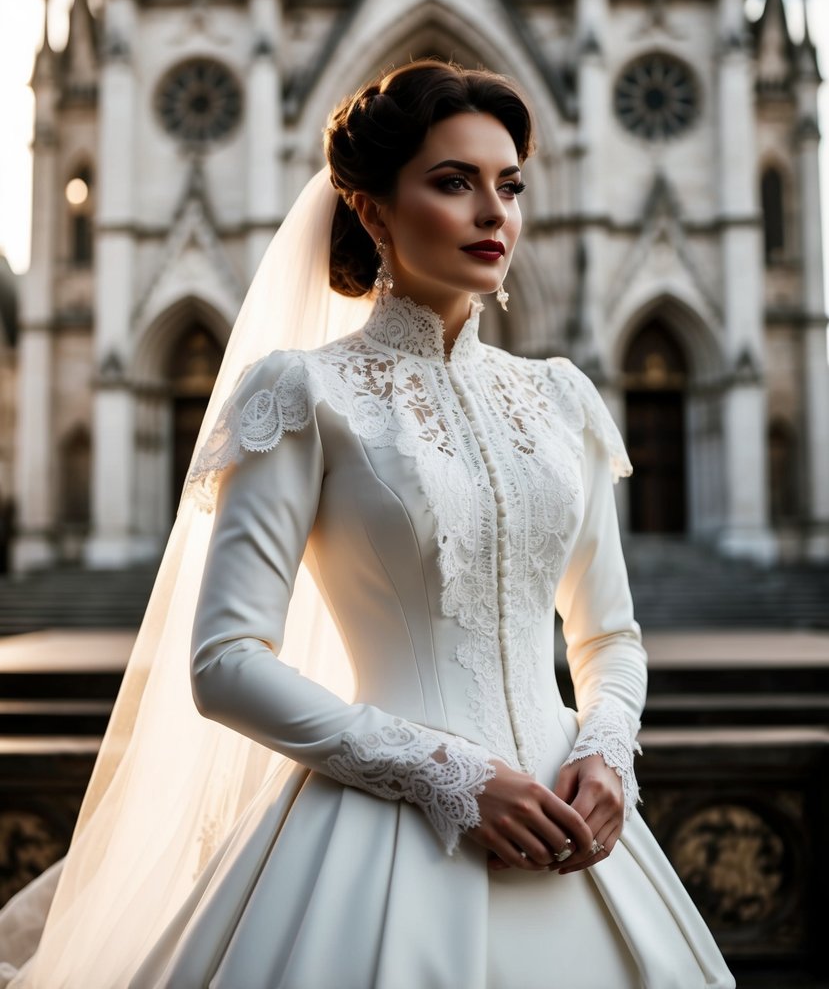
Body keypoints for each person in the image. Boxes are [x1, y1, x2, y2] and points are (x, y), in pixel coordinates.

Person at [0, 60, 734, 988]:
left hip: (569, 828)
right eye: (452, 182)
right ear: (372, 209)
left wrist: (603, 751)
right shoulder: (304, 393)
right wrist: (449, 776)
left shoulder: (561, 399)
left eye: (507, 184)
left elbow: (610, 636)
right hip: (378, 830)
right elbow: (225, 662)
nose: (492, 212)